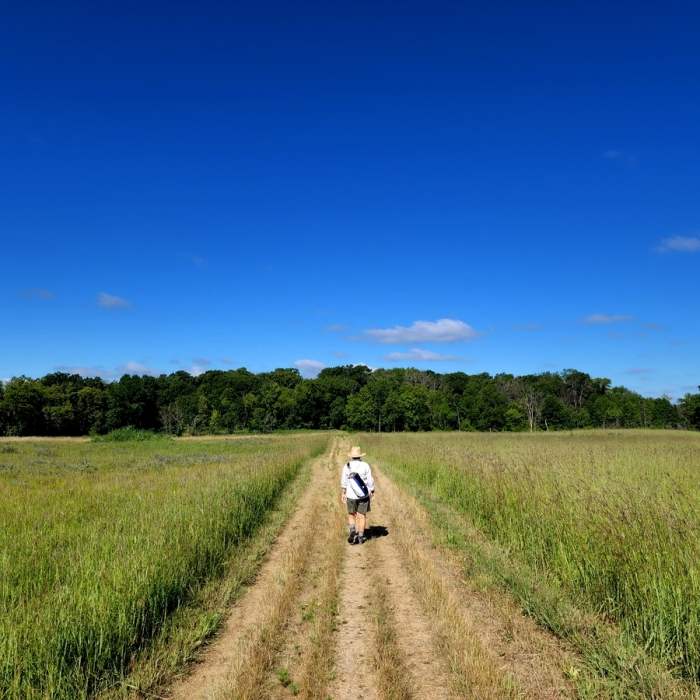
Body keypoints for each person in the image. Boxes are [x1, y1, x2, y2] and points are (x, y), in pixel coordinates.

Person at [340, 445, 375, 545]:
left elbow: (344, 481)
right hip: (363, 495)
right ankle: (360, 537)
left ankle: (352, 531)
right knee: (362, 515)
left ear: (351, 456)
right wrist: (372, 491)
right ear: (360, 455)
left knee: (351, 514)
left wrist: (343, 493)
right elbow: (370, 480)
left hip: (351, 495)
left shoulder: (347, 466)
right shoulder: (365, 465)